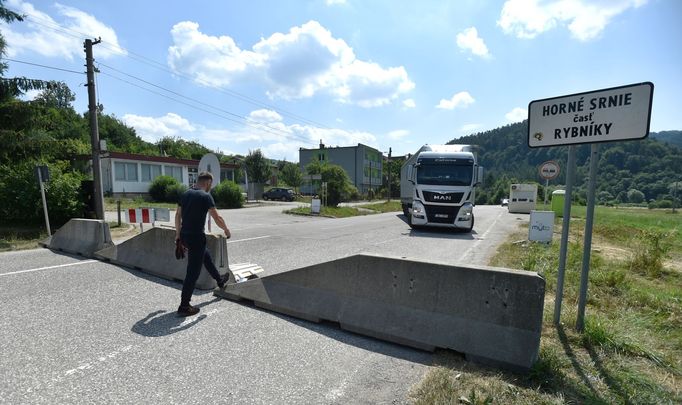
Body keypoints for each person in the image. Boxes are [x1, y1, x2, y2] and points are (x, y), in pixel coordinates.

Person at [174, 171, 231, 316]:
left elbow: (178, 215)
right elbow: (217, 218)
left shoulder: (185, 194)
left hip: (185, 236)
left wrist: (178, 235)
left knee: (205, 256)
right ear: (207, 183)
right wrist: (226, 230)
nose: (210, 187)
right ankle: (184, 306)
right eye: (210, 184)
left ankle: (220, 281)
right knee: (192, 273)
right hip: (196, 238)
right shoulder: (206, 196)